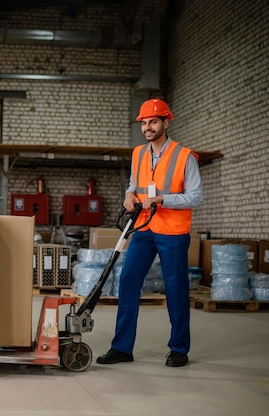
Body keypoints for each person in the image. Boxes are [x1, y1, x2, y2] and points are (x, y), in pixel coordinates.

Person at [96, 98, 203, 368]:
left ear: (166, 122)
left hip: (173, 232)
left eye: (153, 121)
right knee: (128, 280)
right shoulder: (138, 154)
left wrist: (162, 200)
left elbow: (196, 197)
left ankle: (178, 349)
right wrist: (129, 195)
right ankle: (121, 347)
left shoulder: (184, 156)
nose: (148, 127)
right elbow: (134, 184)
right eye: (144, 122)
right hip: (143, 229)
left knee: (175, 289)